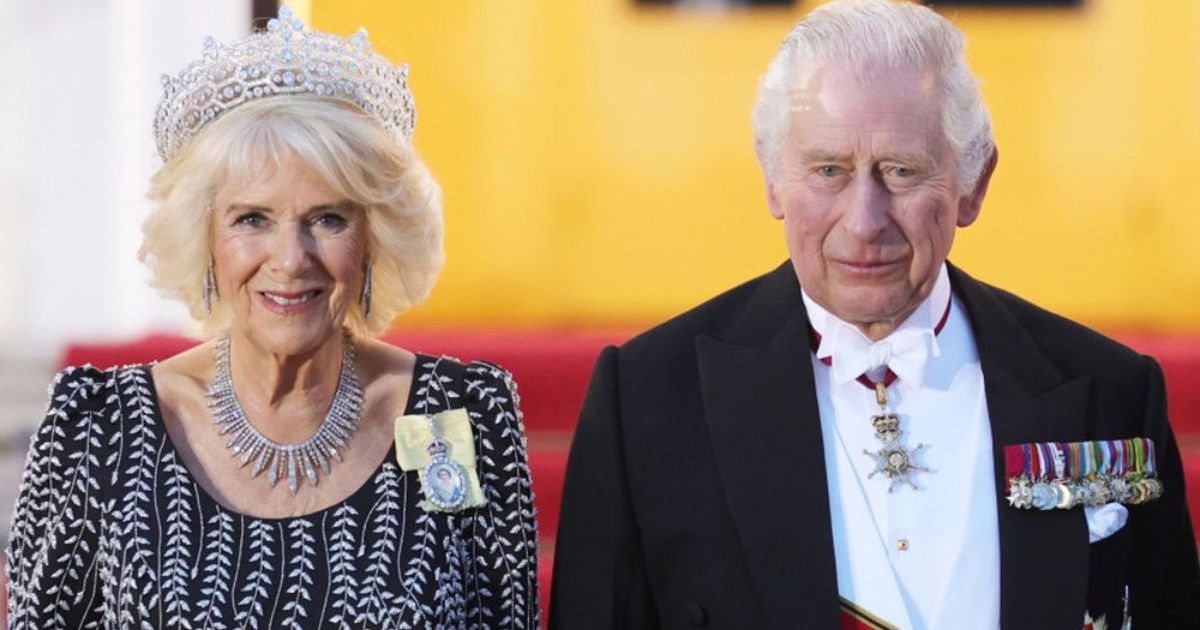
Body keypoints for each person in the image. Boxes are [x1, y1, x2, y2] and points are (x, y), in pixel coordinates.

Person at [550, 1, 1199, 628]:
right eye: (829, 170)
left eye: (902, 171)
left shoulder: (1112, 392)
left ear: (973, 183)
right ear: (773, 178)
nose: (864, 221)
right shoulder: (649, 401)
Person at [4, 7, 539, 628]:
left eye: (328, 219)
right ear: (203, 237)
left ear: (375, 238)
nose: (290, 259)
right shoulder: (99, 427)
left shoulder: (455, 414)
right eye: (252, 219)